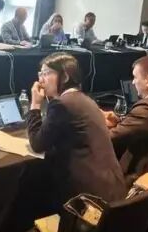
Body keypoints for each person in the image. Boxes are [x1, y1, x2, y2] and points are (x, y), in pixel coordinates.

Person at [26, 53, 126, 206]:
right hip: (111, 189)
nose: (41, 80)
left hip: (88, 199)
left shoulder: (62, 104)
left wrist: (35, 105)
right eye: (40, 74)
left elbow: (37, 144)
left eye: (46, 73)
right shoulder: (84, 99)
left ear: (65, 76)